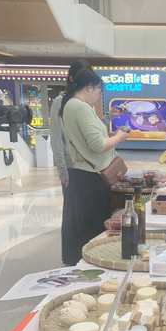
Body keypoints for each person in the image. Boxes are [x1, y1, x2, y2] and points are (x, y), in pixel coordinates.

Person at [60, 69, 129, 264]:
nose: (99, 95)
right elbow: (98, 145)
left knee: (80, 226)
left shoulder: (71, 105)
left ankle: (81, 263)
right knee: (90, 228)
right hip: (89, 177)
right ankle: (89, 264)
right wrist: (120, 137)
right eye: (99, 90)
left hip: (82, 175)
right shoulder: (79, 107)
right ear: (89, 87)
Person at [49, 60, 91, 264]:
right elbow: (56, 138)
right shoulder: (61, 102)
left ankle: (86, 255)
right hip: (71, 168)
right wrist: (62, 169)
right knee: (72, 214)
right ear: (72, 78)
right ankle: (71, 258)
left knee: (85, 214)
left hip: (89, 169)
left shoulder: (85, 102)